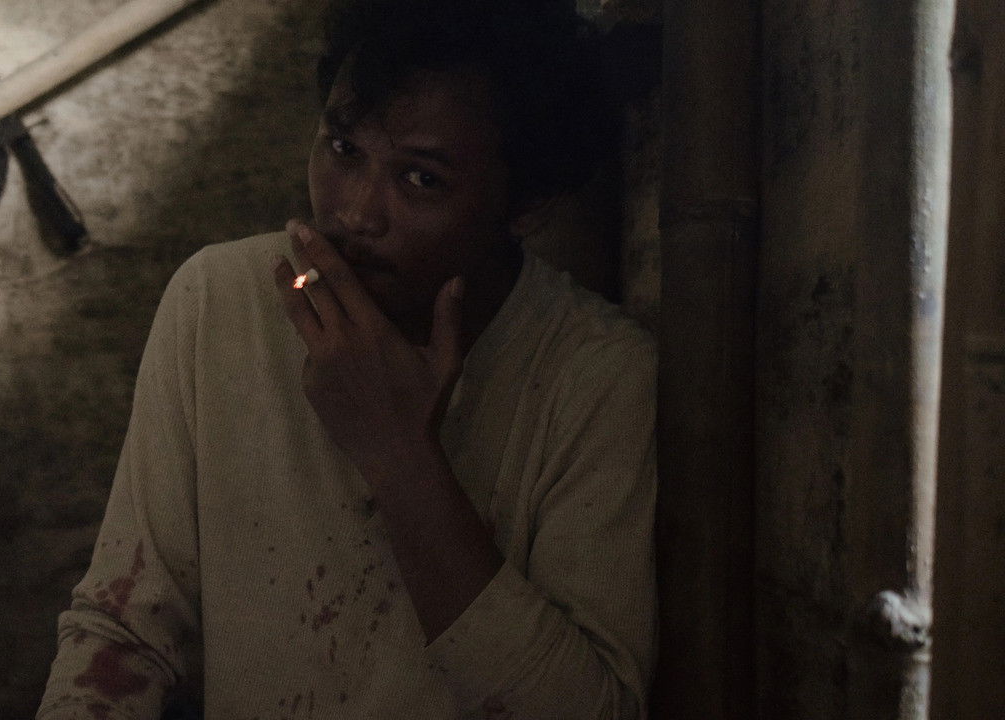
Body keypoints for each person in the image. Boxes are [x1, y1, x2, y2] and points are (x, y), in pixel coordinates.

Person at [36, 1, 657, 718]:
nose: (358, 213)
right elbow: (124, 631)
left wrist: (401, 458)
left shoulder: (598, 377)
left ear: (525, 205)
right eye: (343, 150)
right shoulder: (220, 301)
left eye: (421, 180)